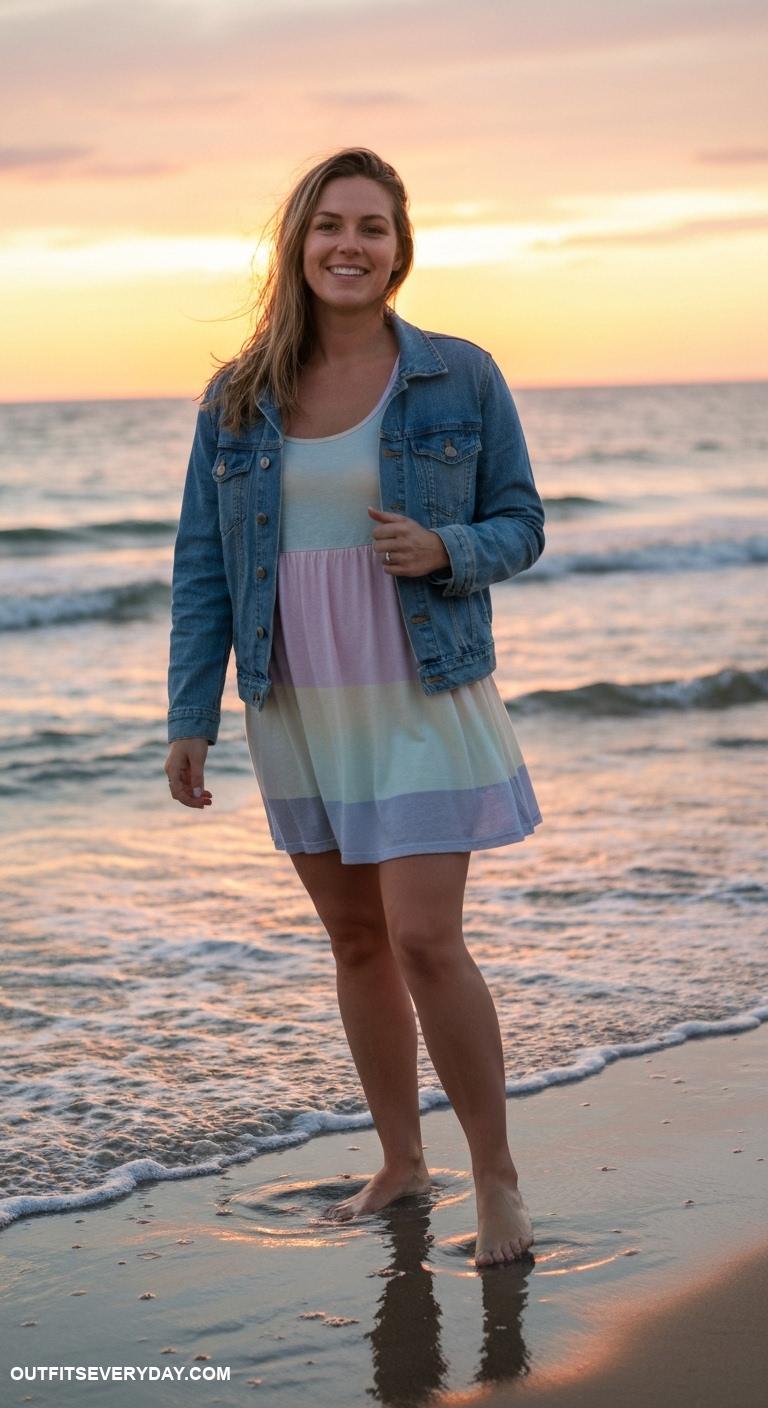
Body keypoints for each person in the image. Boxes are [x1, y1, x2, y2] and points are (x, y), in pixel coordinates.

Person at [164, 147, 545, 1268]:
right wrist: (191, 713)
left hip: (420, 685)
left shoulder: (458, 377)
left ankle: (497, 1176)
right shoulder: (237, 398)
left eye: (372, 227)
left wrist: (447, 548)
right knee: (356, 940)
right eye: (331, 224)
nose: (349, 244)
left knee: (427, 938)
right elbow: (202, 566)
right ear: (298, 242)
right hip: (296, 696)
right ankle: (400, 1158)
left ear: (399, 247)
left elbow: (521, 520)